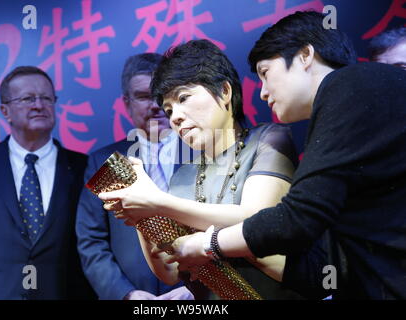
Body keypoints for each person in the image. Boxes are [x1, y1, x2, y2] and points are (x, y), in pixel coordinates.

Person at [166, 11, 406, 300]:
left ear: (305, 55)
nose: (264, 93)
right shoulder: (343, 112)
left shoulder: (350, 83)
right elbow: (323, 273)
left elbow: (297, 218)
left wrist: (210, 243)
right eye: (167, 111)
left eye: (266, 73)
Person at [99, 40, 303, 299]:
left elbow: (256, 221)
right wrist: (142, 217)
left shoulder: (268, 139)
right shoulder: (183, 176)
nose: (175, 117)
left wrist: (158, 203)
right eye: (169, 109)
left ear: (225, 91)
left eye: (184, 98)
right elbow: (169, 272)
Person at [0, 66, 94, 300]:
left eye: (46, 98)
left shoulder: (84, 167)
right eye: (28, 98)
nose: (39, 105)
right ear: (5, 110)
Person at [76, 53, 192, 300]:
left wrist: (199, 290)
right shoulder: (105, 162)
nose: (154, 105)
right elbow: (92, 241)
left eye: (162, 94)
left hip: (195, 296)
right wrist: (125, 294)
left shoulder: (203, 151)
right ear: (126, 103)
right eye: (143, 96)